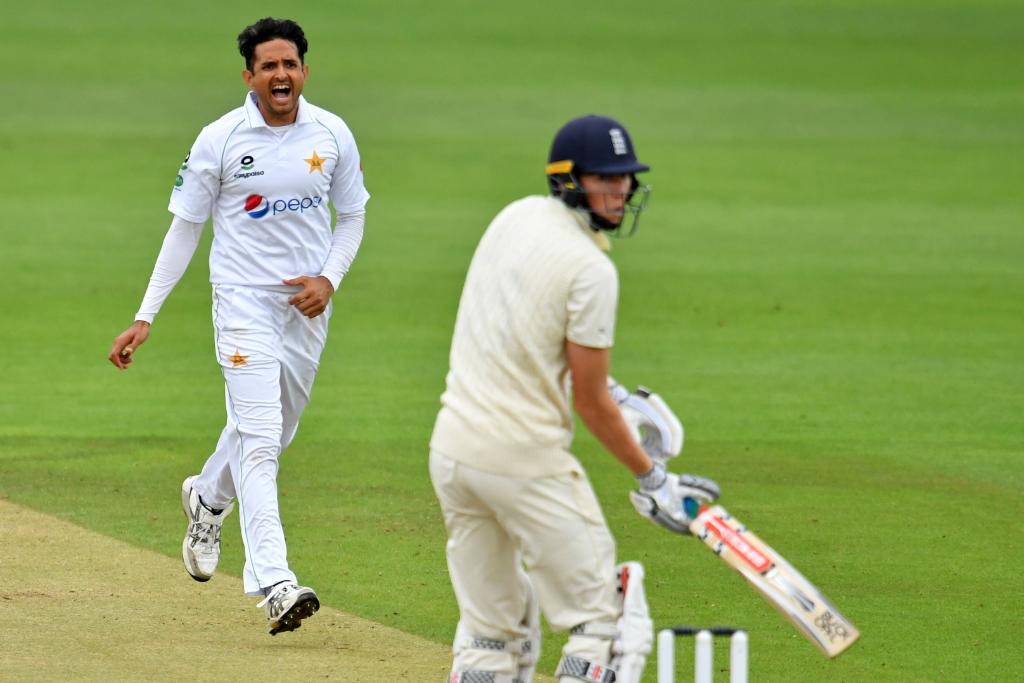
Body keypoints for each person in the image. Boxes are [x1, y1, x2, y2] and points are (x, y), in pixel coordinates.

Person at [429, 114, 721, 683]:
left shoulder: (513, 217)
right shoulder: (592, 269)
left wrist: (611, 393)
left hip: (452, 455)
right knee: (603, 625)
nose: (620, 191)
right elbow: (588, 402)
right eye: (604, 179)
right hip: (524, 463)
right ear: (569, 179)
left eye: (626, 178)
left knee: (491, 638)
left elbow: (523, 335)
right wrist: (652, 479)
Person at [107, 17, 369, 636]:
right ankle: (275, 582)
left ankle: (208, 498)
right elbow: (185, 229)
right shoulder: (219, 139)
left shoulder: (332, 133)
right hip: (242, 304)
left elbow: (353, 215)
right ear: (249, 76)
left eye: (291, 64)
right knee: (259, 438)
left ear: (305, 69)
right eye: (269, 65)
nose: (281, 74)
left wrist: (328, 280)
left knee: (278, 431)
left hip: (306, 307)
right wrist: (147, 314)